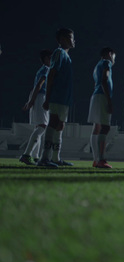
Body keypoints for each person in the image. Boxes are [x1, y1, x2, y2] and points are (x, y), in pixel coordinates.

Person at [37, 28, 75, 168]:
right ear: (63, 39)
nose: (73, 40)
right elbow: (51, 75)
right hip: (57, 96)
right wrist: (47, 98)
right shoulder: (58, 53)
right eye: (71, 37)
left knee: (60, 125)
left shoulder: (66, 56)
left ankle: (56, 158)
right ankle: (44, 158)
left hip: (64, 98)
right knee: (53, 122)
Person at [19, 50, 52, 165]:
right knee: (42, 126)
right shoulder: (46, 69)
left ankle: (35, 156)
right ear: (47, 58)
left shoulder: (41, 69)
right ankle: (26, 154)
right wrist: (32, 101)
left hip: (37, 97)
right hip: (41, 97)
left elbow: (35, 86)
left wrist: (30, 100)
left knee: (39, 126)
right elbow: (39, 85)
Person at [88, 47, 116, 169]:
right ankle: (101, 159)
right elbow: (104, 80)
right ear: (110, 54)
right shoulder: (106, 63)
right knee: (105, 127)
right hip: (102, 96)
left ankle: (96, 159)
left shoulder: (96, 66)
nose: (114, 60)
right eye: (114, 57)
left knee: (97, 128)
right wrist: (109, 100)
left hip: (96, 95)